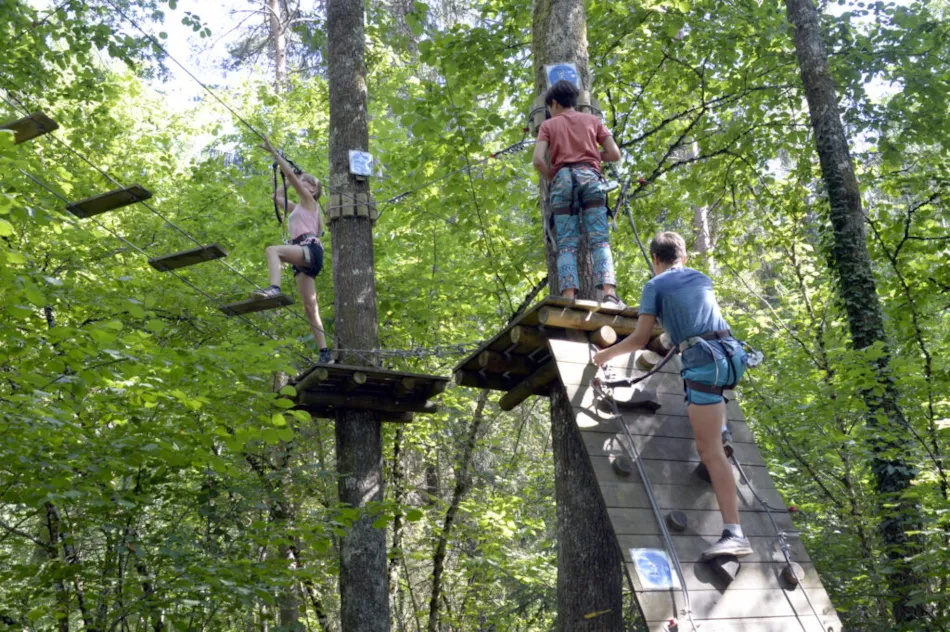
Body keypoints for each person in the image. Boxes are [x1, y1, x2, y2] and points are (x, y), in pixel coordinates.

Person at [593, 231, 751, 560]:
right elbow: (689, 322)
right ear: (684, 257)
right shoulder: (700, 278)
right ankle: (722, 429)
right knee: (711, 403)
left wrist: (601, 358)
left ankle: (734, 534)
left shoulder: (655, 286)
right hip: (733, 357)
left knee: (709, 453)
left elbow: (638, 339)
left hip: (706, 365)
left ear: (654, 259)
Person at [532, 79, 624, 307]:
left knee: (566, 243)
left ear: (554, 103)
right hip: (591, 179)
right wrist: (591, 156)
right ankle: (609, 295)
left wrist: (555, 176)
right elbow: (614, 153)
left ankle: (568, 297)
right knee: (599, 240)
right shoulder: (593, 121)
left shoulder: (548, 126)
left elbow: (537, 160)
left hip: (563, 179)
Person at [254, 136, 332, 365]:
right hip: (304, 254)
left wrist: (276, 155)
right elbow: (276, 196)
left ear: (314, 190)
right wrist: (292, 180)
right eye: (304, 182)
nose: (304, 184)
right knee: (310, 307)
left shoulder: (310, 202)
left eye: (308, 183)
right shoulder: (300, 208)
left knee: (273, 250)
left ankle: (274, 288)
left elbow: (289, 175)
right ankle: (325, 352)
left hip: (308, 247)